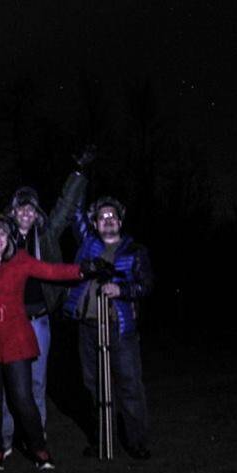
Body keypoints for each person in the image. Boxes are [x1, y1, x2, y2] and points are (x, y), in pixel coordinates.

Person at [0, 142, 92, 455]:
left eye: (31, 208)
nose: (26, 213)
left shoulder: (48, 233)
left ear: (37, 214)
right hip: (7, 323)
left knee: (36, 385)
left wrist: (79, 172)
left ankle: (35, 437)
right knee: (3, 388)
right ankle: (3, 439)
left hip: (39, 320)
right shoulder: (2, 234)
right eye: (20, 207)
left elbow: (66, 206)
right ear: (12, 212)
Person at [0, 214, 102, 471]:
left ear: (9, 239)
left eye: (2, 234)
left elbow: (51, 271)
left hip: (15, 338)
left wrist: (83, 269)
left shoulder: (20, 260)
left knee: (22, 397)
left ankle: (40, 450)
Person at [63, 195, 155, 459]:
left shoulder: (134, 250)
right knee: (93, 387)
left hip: (119, 327)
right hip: (88, 328)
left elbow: (146, 285)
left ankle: (137, 441)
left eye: (112, 216)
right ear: (94, 223)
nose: (108, 220)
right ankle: (101, 439)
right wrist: (79, 174)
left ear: (120, 220)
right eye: (102, 217)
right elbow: (73, 210)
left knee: (129, 385)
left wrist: (122, 289)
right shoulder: (88, 244)